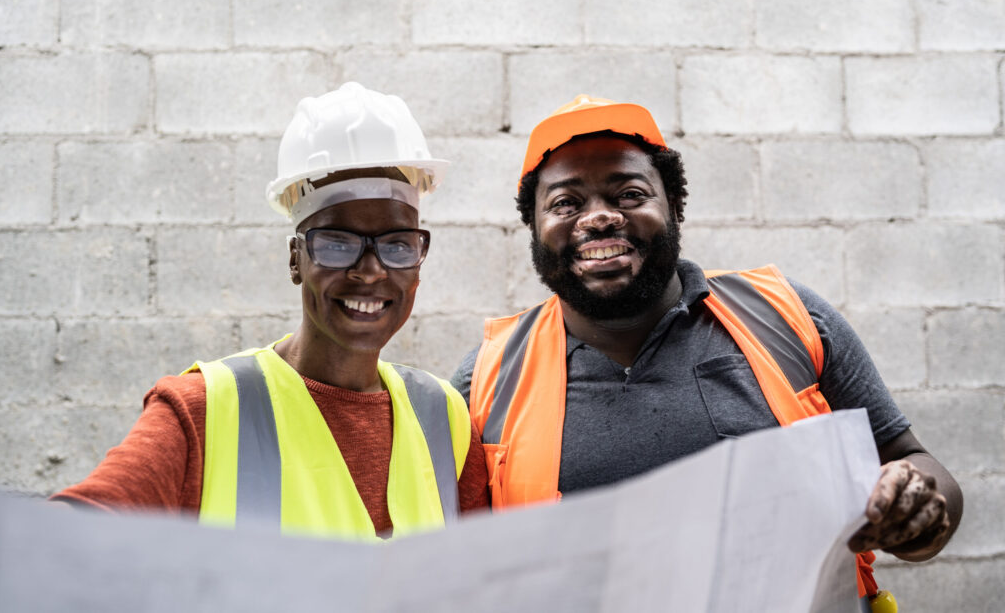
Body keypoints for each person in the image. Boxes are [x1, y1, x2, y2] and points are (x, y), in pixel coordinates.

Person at [451, 94, 962, 607]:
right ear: (535, 228)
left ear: (673, 206)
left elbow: (914, 463)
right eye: (566, 203)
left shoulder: (786, 318)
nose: (599, 219)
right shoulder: (487, 378)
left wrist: (915, 509)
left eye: (628, 193)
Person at [54, 82, 489, 540]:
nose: (370, 271)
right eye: (337, 242)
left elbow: (489, 580)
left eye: (397, 244)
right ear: (295, 260)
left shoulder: (445, 418)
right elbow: (66, 535)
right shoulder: (203, 411)